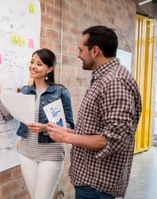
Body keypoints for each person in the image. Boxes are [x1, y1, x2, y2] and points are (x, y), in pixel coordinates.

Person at [46, 25, 142, 199]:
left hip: (97, 186)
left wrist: (67, 138)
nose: (78, 55)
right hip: (91, 183)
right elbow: (101, 129)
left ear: (95, 51)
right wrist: (73, 133)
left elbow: (113, 138)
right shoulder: (104, 78)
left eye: (81, 50)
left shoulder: (115, 82)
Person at [0, 48, 74, 199]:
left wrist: (46, 127)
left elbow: (70, 126)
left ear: (49, 69)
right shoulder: (25, 91)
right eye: (32, 62)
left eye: (39, 64)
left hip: (50, 155)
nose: (33, 66)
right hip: (26, 154)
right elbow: (8, 116)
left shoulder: (60, 91)